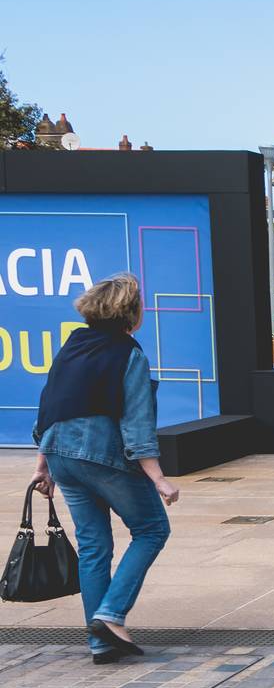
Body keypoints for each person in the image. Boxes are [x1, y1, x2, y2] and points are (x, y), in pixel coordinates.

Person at [29, 274, 178, 665]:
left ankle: (101, 643)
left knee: (94, 545)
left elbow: (49, 404)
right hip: (100, 453)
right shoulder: (129, 353)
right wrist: (157, 477)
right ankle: (110, 617)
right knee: (152, 529)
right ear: (131, 312)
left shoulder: (72, 345)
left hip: (61, 455)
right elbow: (136, 421)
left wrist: (42, 465)